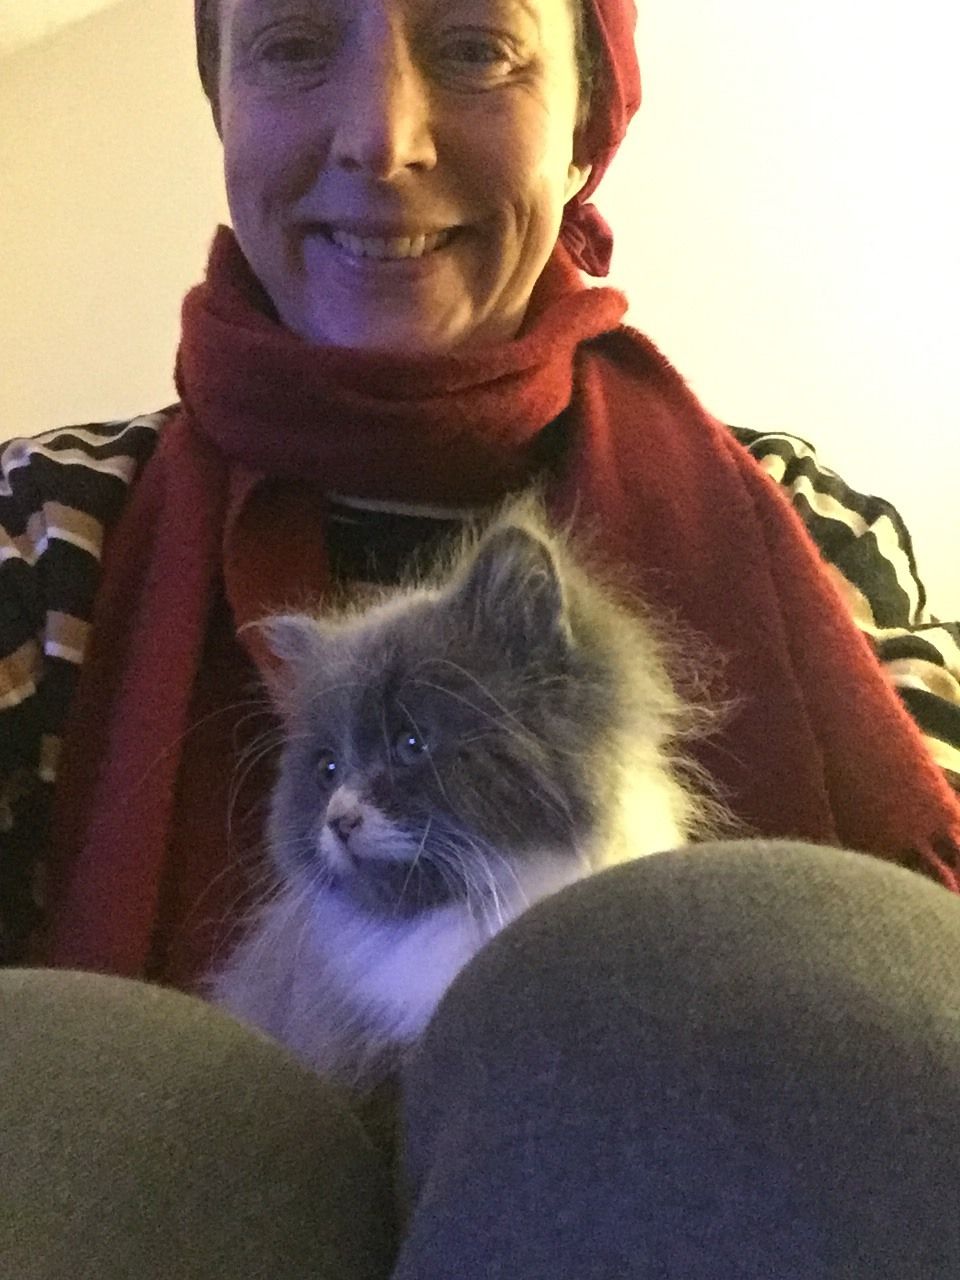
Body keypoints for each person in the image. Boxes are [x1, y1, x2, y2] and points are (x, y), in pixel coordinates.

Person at [2, 0, 960, 1274]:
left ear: (585, 121)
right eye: (294, 45)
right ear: (223, 104)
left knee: (776, 947)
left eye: (473, 47)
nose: (381, 137)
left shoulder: (809, 532)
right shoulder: (41, 534)